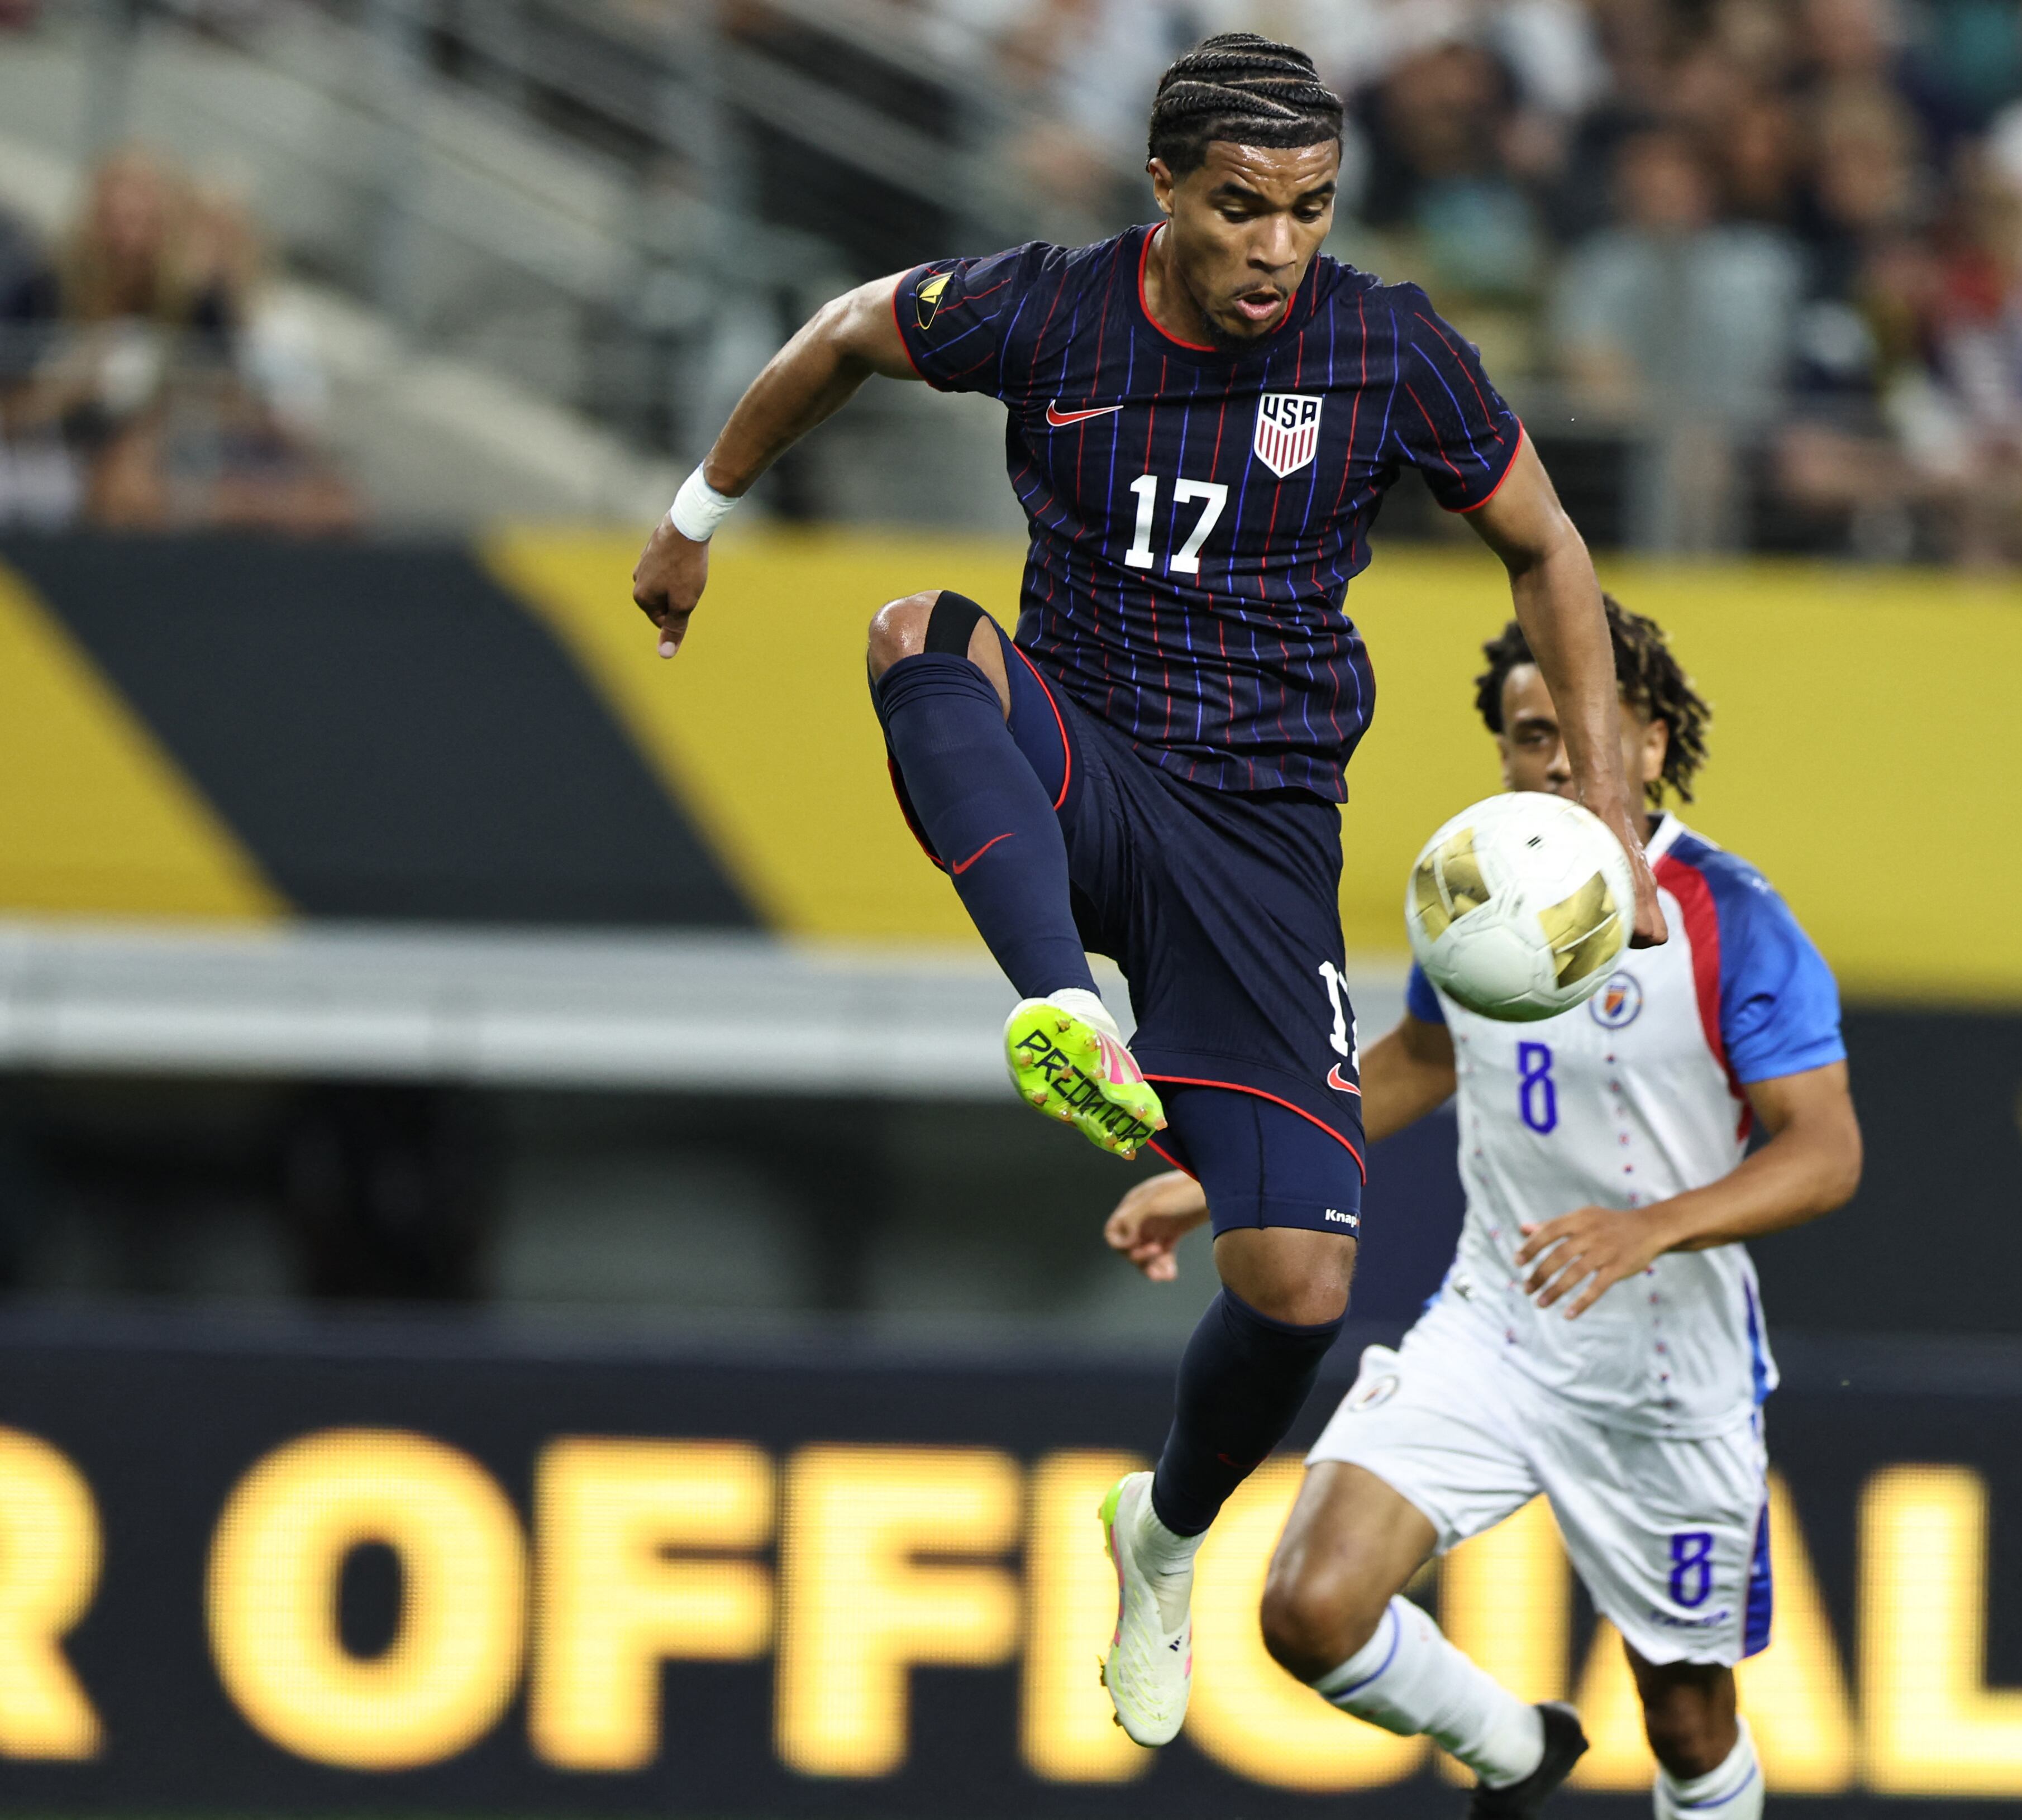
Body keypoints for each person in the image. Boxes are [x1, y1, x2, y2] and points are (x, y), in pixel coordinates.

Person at [624, 31, 1663, 1751]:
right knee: (919, 638)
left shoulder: (1386, 347)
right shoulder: (1045, 309)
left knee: (1298, 1288)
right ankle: (1059, 1002)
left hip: (1260, 846)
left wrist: (1611, 820)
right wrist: (694, 513)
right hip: (1084, 767)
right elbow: (837, 338)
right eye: (1243, 209)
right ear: (1164, 189)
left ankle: (1162, 1537)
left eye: (1310, 213)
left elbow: (1548, 547)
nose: (1278, 250)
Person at [1104, 599, 1863, 1820]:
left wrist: (1648, 1226)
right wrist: (1218, 1181)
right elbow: (1414, 1059)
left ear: (1653, 744)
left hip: (1668, 1379)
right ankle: (1518, 1748)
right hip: (1495, 1330)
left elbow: (1826, 1154)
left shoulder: (1730, 917)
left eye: (1584, 730)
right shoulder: (1470, 887)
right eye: (1526, 734)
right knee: (1310, 1609)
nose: (1555, 760)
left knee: (1685, 1719)